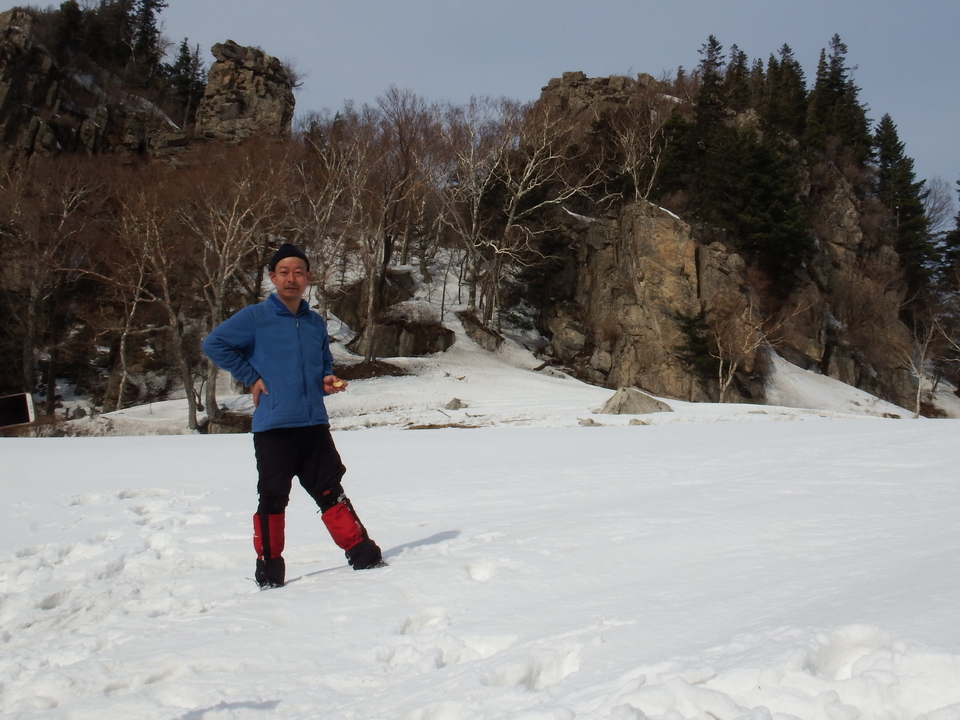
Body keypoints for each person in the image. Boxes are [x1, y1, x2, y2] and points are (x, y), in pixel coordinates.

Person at [202, 243, 383, 589]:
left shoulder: (314, 322)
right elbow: (214, 344)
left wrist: (326, 380)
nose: (291, 279)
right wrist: (251, 377)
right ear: (272, 277)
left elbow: (323, 362)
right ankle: (270, 575)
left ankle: (364, 556)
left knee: (330, 492)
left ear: (308, 278)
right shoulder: (256, 317)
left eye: (298, 272)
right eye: (284, 272)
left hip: (313, 424)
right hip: (274, 427)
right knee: (273, 498)